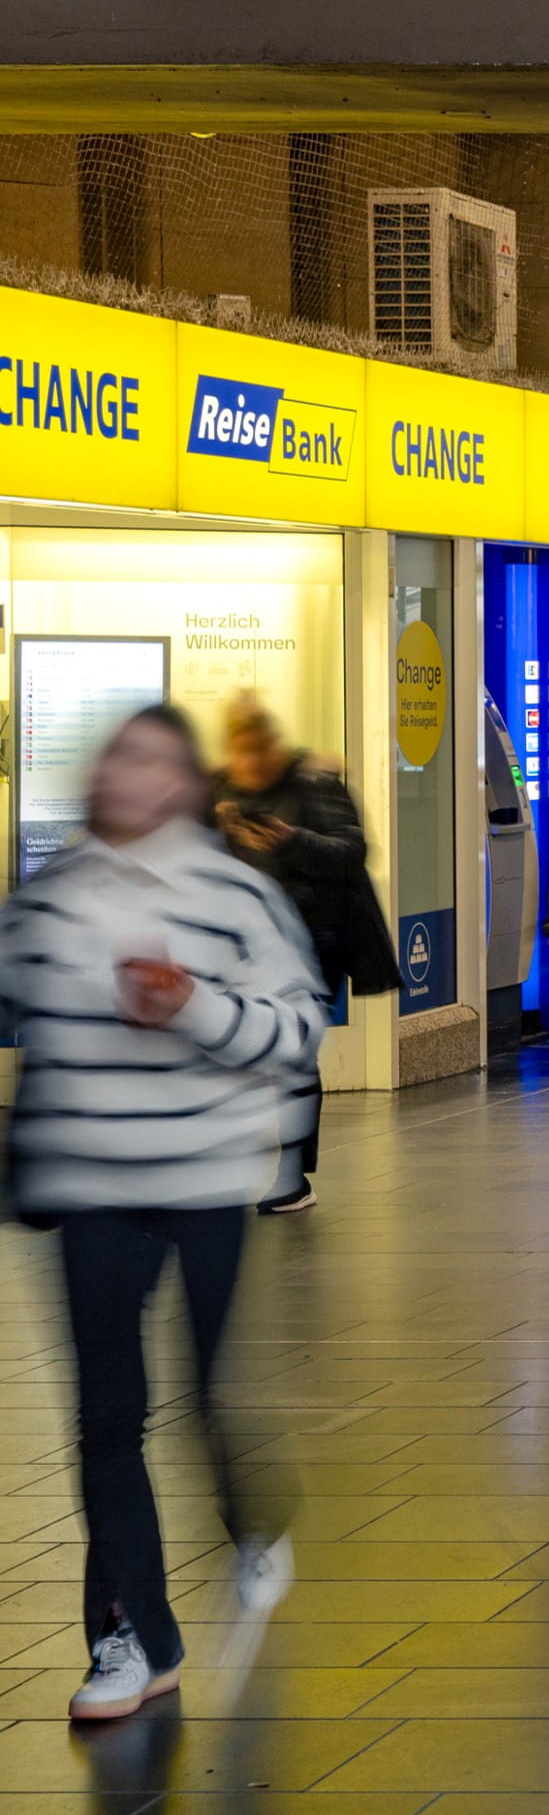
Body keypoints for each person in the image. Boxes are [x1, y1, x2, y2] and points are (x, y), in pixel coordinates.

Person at [4, 706, 322, 1721]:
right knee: (108, 1421)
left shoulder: (236, 894)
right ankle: (132, 1637)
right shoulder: (48, 902)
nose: (125, 775)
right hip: (95, 1186)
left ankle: (252, 1522)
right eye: (115, 756)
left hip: (204, 1176)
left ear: (187, 784)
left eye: (151, 759)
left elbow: (296, 1029)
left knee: (211, 1401)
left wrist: (190, 1006)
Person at [213, 695, 390, 1212]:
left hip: (317, 940)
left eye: (257, 747)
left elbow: (352, 853)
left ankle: (290, 1177)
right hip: (249, 942)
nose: (250, 761)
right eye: (239, 749)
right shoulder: (223, 790)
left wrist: (290, 839)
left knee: (292, 1053)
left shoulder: (314, 783)